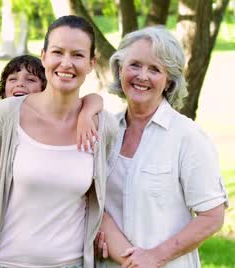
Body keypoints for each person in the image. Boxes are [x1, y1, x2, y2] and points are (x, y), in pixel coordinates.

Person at [0, 15, 118, 268]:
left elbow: (100, 195)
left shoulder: (104, 126)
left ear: (92, 63)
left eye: (78, 55)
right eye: (58, 52)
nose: (66, 63)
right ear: (43, 56)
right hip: (7, 262)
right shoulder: (7, 114)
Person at [95, 26, 228, 267]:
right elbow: (94, 203)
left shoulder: (187, 136)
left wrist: (155, 256)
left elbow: (212, 216)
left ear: (168, 82)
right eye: (134, 65)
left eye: (155, 69)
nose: (142, 76)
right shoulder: (106, 130)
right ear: (120, 69)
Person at [0, 55, 104, 268]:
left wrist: (87, 113)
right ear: (3, 88)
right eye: (13, 79)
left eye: (30, 80)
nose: (20, 84)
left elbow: (95, 98)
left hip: (30, 214)